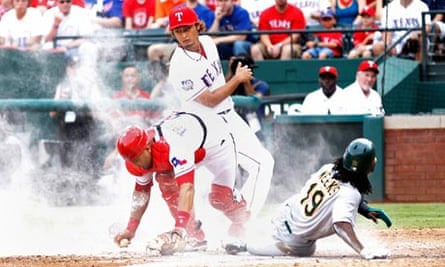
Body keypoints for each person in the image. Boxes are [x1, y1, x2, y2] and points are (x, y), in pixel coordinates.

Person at [167, 6, 275, 223]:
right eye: (178, 31)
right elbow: (210, 100)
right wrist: (237, 78)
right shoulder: (179, 64)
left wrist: (230, 76)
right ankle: (242, 223)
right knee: (262, 164)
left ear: (198, 25)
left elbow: (217, 85)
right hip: (206, 126)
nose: (184, 35)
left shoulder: (207, 43)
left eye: (187, 28)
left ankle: (233, 216)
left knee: (252, 168)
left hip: (227, 115)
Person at [223, 138, 392, 260]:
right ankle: (245, 245)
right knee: (303, 250)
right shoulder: (350, 194)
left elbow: (336, 192)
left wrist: (364, 209)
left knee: (281, 234)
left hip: (286, 210)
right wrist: (363, 250)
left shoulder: (330, 168)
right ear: (369, 166)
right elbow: (341, 224)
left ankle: (245, 235)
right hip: (295, 239)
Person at [113, 110, 250, 254]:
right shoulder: (139, 155)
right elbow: (142, 193)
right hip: (193, 145)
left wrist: (179, 227)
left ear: (147, 148)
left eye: (136, 159)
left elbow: (187, 187)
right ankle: (194, 236)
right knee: (166, 180)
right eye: (130, 161)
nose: (135, 164)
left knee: (220, 199)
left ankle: (242, 218)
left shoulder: (174, 146)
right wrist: (130, 229)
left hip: (217, 146)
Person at [226, 53, 270, 139]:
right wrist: (231, 73)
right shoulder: (231, 83)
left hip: (254, 127)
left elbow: (253, 103)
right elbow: (220, 95)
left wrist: (245, 80)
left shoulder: (261, 85)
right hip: (233, 128)